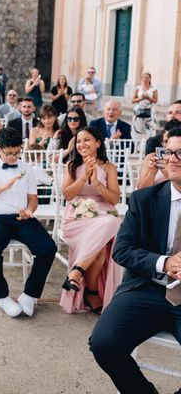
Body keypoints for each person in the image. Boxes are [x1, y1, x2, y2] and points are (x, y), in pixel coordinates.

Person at [88, 126, 181, 394]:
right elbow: (123, 250)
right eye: (170, 151)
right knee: (104, 343)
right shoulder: (145, 198)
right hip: (146, 288)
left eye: (180, 152)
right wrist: (164, 263)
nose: (173, 158)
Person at [0, 128, 57, 317]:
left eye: (17, 152)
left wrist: (29, 211)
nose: (14, 157)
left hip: (21, 218)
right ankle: (1, 296)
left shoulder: (27, 168)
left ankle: (29, 295)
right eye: (9, 153)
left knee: (48, 248)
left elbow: (33, 199)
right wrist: (3, 187)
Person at [60, 127, 122, 314]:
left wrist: (96, 183)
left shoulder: (108, 167)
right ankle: (91, 291)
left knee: (110, 224)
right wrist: (84, 177)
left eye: (87, 140)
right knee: (109, 227)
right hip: (77, 216)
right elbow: (68, 195)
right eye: (78, 141)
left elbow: (113, 200)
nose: (81, 144)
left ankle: (78, 273)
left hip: (103, 213)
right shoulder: (71, 165)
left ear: (98, 143)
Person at [137, 119, 180, 189]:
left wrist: (168, 174)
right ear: (162, 142)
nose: (169, 145)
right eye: (166, 141)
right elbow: (141, 192)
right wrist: (152, 173)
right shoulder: (152, 158)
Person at [131, 72, 158, 140]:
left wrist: (148, 97)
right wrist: (141, 98)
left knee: (151, 130)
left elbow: (155, 100)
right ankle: (136, 147)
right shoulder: (138, 88)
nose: (145, 79)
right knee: (136, 129)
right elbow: (132, 100)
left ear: (150, 79)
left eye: (147, 77)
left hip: (150, 110)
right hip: (138, 110)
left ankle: (150, 145)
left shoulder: (154, 89)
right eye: (144, 77)